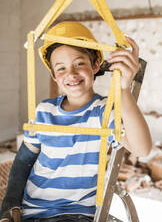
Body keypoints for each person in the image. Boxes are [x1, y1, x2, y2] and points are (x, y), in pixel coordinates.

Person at [0, 21, 152, 222]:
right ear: (54, 76)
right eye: (61, 68)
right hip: (33, 211)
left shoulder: (104, 112)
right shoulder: (44, 111)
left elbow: (142, 149)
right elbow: (23, 162)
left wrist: (123, 88)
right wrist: (11, 208)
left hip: (77, 214)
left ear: (95, 66)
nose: (70, 74)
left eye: (79, 63)